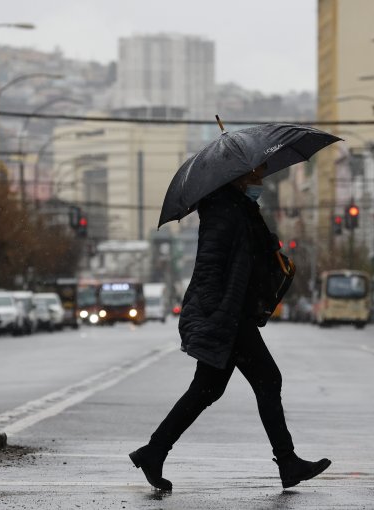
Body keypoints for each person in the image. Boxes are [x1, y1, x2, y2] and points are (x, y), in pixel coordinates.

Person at [129, 164, 331, 491]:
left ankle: (154, 452)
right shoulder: (223, 212)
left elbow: (249, 257)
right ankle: (288, 461)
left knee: (206, 390)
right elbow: (210, 267)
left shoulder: (241, 209)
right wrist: (216, 313)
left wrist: (269, 245)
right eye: (254, 176)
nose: (259, 181)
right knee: (267, 378)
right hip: (227, 315)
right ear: (236, 177)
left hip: (235, 313)